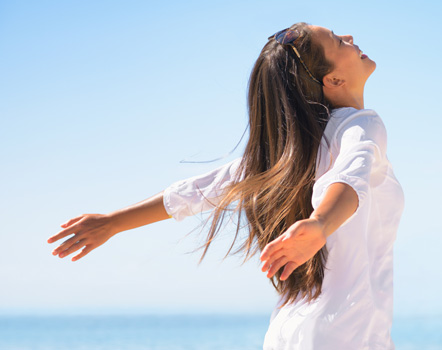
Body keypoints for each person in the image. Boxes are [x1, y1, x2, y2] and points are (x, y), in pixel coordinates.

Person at [47, 22, 404, 350]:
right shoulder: (362, 125)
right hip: (345, 335)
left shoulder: (289, 155)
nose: (351, 39)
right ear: (334, 81)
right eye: (339, 42)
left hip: (287, 333)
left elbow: (195, 192)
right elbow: (350, 175)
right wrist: (321, 224)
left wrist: (111, 223)